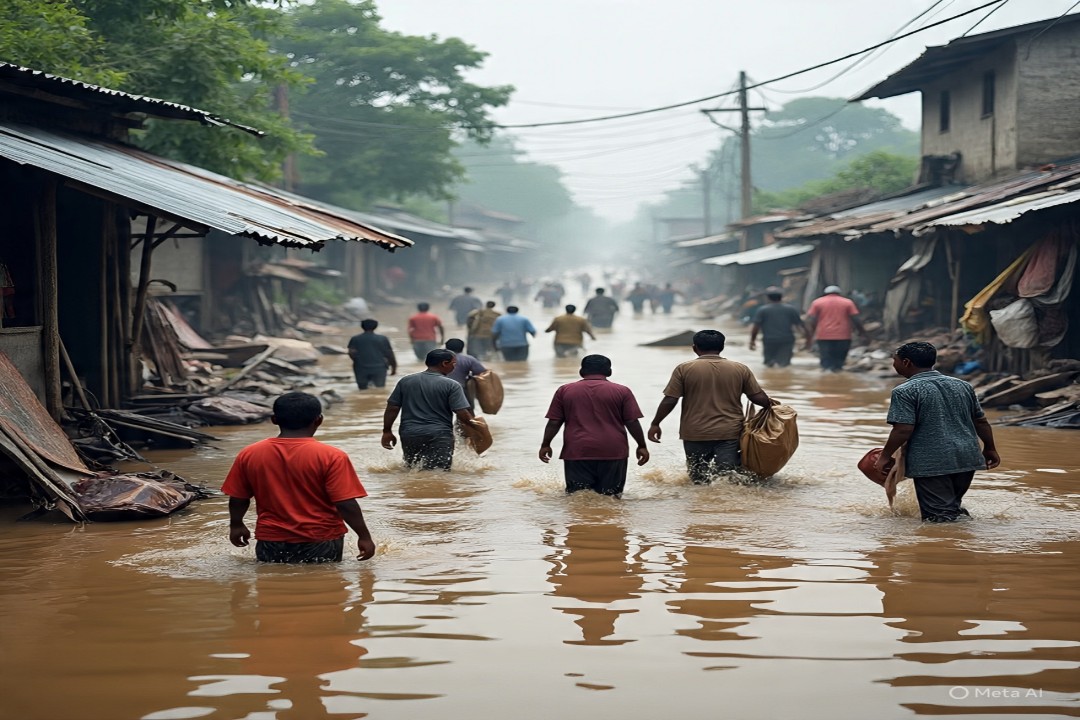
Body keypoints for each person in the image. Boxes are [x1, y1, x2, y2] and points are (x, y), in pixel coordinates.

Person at [223, 392, 376, 563]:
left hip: (271, 539)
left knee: (270, 585)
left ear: (274, 419)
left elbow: (238, 497)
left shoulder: (249, 454)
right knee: (326, 584)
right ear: (319, 420)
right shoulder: (332, 456)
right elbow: (345, 503)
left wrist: (236, 525)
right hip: (322, 539)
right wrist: (364, 536)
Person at [877, 342, 1000, 522]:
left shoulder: (904, 391)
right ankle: (964, 543)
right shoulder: (963, 385)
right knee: (952, 509)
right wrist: (989, 448)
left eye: (894, 361)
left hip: (933, 461)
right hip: (966, 456)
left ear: (906, 362)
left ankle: (944, 547)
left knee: (939, 519)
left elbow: (903, 429)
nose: (893, 365)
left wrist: (885, 456)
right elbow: (980, 420)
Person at [647, 330, 773, 484]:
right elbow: (757, 398)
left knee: (698, 479)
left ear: (695, 348)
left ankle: (701, 506)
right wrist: (771, 405)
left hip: (695, 432)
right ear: (722, 347)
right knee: (727, 477)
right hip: (729, 432)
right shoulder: (740, 369)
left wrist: (656, 423)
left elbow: (670, 400)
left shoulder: (684, 369)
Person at [539, 355, 649, 497]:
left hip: (577, 450)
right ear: (609, 372)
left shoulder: (565, 390)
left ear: (581, 371)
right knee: (611, 498)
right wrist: (642, 446)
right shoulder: (622, 391)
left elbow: (554, 421)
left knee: (578, 498)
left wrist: (545, 444)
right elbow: (632, 421)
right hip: (613, 451)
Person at [381, 349, 477, 471]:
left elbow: (392, 408)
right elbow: (462, 413)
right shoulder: (452, 385)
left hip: (410, 434)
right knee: (439, 472)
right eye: (453, 364)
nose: (454, 367)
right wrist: (476, 427)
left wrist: (387, 431)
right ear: (444, 363)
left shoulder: (406, 381)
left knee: (412, 470)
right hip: (439, 435)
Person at [805, 285, 867, 372]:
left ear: (825, 293)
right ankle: (837, 374)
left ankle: (826, 377)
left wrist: (810, 335)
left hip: (823, 336)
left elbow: (812, 320)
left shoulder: (817, 302)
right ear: (839, 293)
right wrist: (862, 332)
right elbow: (855, 319)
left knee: (826, 359)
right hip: (843, 336)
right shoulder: (848, 302)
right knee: (839, 360)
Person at [749, 289, 810, 368]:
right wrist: (807, 338)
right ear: (781, 297)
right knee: (784, 364)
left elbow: (756, 327)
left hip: (769, 340)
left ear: (768, 298)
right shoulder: (791, 309)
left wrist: (752, 341)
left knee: (769, 364)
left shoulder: (763, 310)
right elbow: (800, 325)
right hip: (787, 341)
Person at [346, 318, 397, 389]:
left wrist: (357, 361)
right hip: (379, 368)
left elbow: (351, 352)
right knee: (380, 389)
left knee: (362, 390)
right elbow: (390, 354)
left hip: (361, 368)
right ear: (375, 326)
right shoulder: (383, 338)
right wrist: (394, 368)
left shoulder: (355, 338)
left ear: (362, 326)